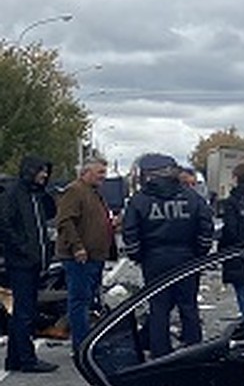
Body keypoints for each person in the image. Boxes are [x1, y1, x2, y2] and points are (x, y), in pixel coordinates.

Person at [122, 154, 214, 358]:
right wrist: (199, 252)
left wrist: (138, 256)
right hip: (187, 258)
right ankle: (194, 349)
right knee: (188, 306)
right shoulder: (191, 197)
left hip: (154, 260)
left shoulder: (140, 200)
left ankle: (160, 351)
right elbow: (206, 227)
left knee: (158, 308)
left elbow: (130, 232)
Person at [0, 154, 58, 372]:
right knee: (24, 312)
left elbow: (49, 214)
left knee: (23, 311)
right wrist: (24, 250)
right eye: (41, 171)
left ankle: (16, 358)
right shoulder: (14, 194)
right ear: (30, 171)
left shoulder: (35, 196)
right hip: (22, 262)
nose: (44, 175)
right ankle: (26, 359)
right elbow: (5, 225)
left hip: (31, 261)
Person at [54, 155, 115, 353]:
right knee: (79, 300)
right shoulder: (75, 191)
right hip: (80, 258)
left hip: (95, 256)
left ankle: (87, 341)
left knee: (88, 300)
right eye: (99, 172)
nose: (103, 177)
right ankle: (81, 346)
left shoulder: (94, 193)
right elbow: (65, 221)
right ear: (85, 172)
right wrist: (77, 247)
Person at [218, 161, 244, 322]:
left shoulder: (231, 202)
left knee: (242, 290)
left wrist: (222, 246)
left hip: (237, 253)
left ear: (236, 178)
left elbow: (230, 230)